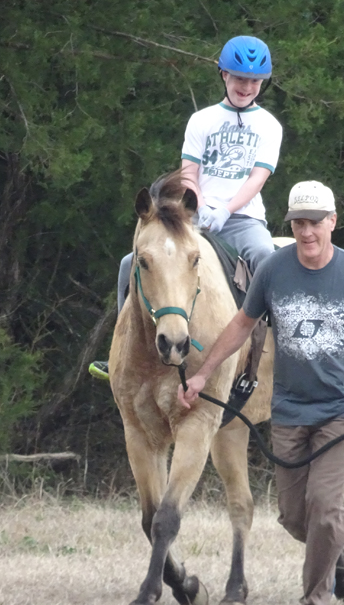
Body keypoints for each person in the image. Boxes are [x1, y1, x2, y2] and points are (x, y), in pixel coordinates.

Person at [178, 180, 344, 605]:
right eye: (299, 223)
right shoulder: (274, 270)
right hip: (289, 413)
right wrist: (202, 375)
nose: (306, 232)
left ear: (333, 222)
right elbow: (239, 326)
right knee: (294, 518)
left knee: (325, 509)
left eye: (315, 223)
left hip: (341, 413)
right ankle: (335, 558)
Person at [90, 35, 283, 381]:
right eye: (240, 78)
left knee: (267, 258)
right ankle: (121, 355)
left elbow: (258, 177)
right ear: (223, 74)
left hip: (244, 218)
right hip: (196, 218)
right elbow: (189, 172)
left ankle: (283, 356)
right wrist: (200, 205)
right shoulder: (202, 120)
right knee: (128, 265)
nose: (247, 86)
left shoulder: (269, 125)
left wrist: (226, 208)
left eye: (254, 81)